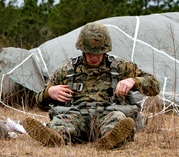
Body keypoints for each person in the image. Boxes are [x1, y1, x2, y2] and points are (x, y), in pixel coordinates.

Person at [23, 22, 160, 149]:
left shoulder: (120, 68)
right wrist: (49, 92)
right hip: (75, 116)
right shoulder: (67, 71)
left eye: (99, 54)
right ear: (82, 49)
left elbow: (154, 86)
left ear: (106, 50)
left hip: (108, 113)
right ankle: (55, 138)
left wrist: (133, 81)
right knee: (59, 124)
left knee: (117, 121)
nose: (94, 58)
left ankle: (109, 140)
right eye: (90, 54)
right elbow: (39, 103)